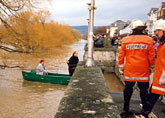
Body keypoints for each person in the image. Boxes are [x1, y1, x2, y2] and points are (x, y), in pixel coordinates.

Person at [118, 20, 155, 112]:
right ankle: (144, 109)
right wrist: (152, 66)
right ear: (143, 29)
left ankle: (126, 107)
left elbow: (121, 55)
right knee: (143, 89)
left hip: (130, 69)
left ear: (133, 29)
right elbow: (151, 56)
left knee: (128, 88)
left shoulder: (125, 40)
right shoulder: (148, 40)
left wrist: (121, 66)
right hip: (143, 69)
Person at [141, 19, 165, 118]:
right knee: (153, 93)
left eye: (158, 31)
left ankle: (145, 112)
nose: (155, 33)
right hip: (159, 76)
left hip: (161, 76)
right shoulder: (161, 45)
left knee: (153, 95)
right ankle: (145, 111)